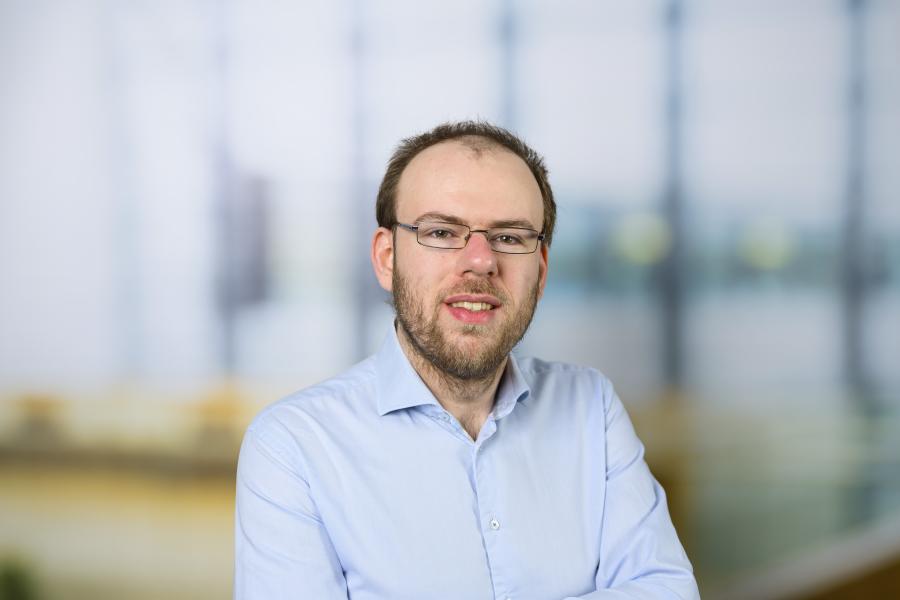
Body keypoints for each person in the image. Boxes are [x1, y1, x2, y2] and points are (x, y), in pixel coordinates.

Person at [234, 121, 699, 599]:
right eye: (441, 231)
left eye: (510, 237)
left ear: (540, 272)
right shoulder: (294, 446)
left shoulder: (590, 407)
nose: (480, 261)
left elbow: (667, 590)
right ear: (387, 258)